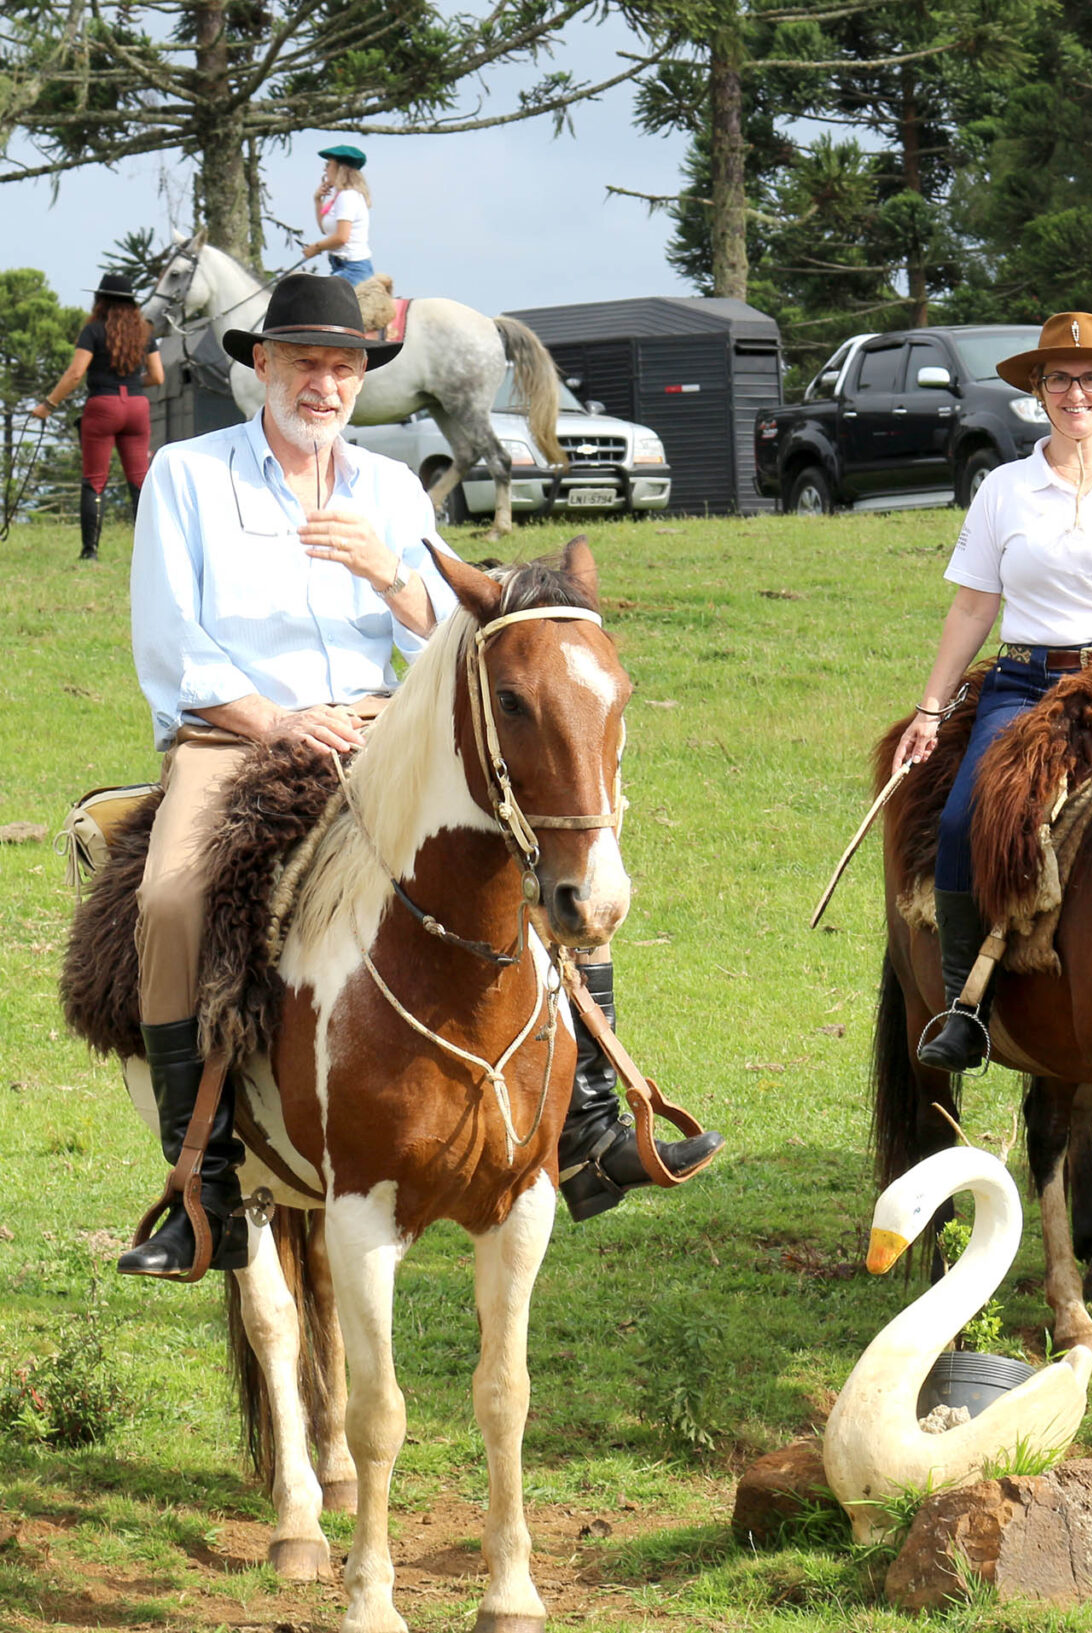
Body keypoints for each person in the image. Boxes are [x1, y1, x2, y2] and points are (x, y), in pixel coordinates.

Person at [116, 274, 717, 1277]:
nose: (327, 383)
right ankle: (202, 1187)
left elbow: (466, 646)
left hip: (382, 730)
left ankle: (595, 1124)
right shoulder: (186, 476)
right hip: (235, 738)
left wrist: (392, 578)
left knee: (544, 844)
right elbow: (174, 644)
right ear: (261, 366)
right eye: (306, 362)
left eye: (345, 366)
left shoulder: (391, 491)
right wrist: (276, 720)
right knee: (175, 898)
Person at [893, 312, 1092, 1073]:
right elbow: (973, 606)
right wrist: (931, 708)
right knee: (970, 814)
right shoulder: (1004, 488)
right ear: (1038, 391)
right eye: (1060, 378)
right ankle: (967, 1006)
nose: (1077, 392)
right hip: (1027, 680)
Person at [30, 271, 165, 563]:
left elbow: (76, 373)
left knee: (94, 480)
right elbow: (158, 375)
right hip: (137, 407)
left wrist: (48, 405)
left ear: (100, 301)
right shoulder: (144, 332)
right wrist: (133, 383)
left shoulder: (93, 331)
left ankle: (90, 551)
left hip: (103, 406)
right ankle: (151, 551)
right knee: (140, 480)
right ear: (132, 304)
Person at [302, 145, 375, 285]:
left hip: (353, 269)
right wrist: (317, 200)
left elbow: (341, 237)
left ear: (340, 168)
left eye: (328, 165)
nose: (325, 169)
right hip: (342, 267)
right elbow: (325, 229)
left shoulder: (347, 197)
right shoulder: (340, 197)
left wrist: (315, 247)